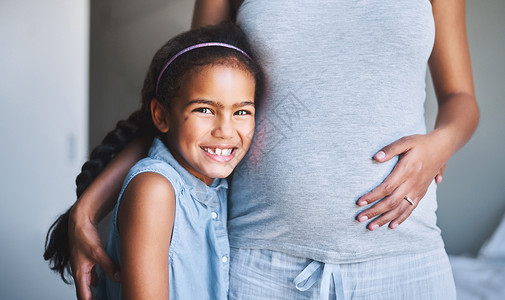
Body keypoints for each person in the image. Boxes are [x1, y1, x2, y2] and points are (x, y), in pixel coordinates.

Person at [59, 0, 478, 299]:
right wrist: (88, 206)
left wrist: (439, 145)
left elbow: (461, 98)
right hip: (260, 265)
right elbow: (184, 87)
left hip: (403, 257)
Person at [44, 22, 263, 299]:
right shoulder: (155, 189)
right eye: (205, 109)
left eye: (242, 112)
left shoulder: (217, 186)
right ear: (161, 116)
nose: (226, 131)